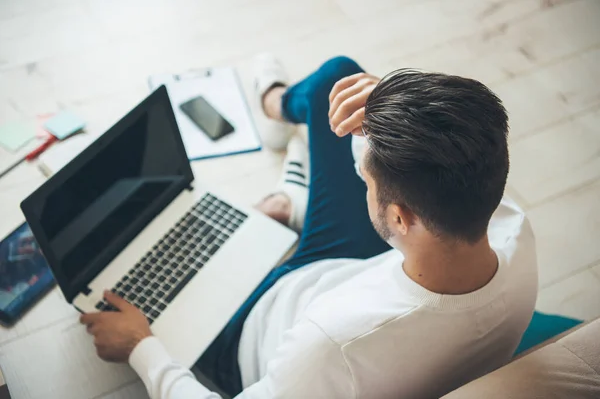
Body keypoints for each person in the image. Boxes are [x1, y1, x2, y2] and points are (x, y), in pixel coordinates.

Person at [80, 55, 538, 398]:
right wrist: (401, 109)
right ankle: (279, 140)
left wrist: (141, 346)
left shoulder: (333, 343)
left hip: (255, 326)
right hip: (352, 267)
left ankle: (285, 200)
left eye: (367, 181)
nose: (361, 177)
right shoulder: (511, 226)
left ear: (400, 217)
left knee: (171, 275)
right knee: (340, 79)